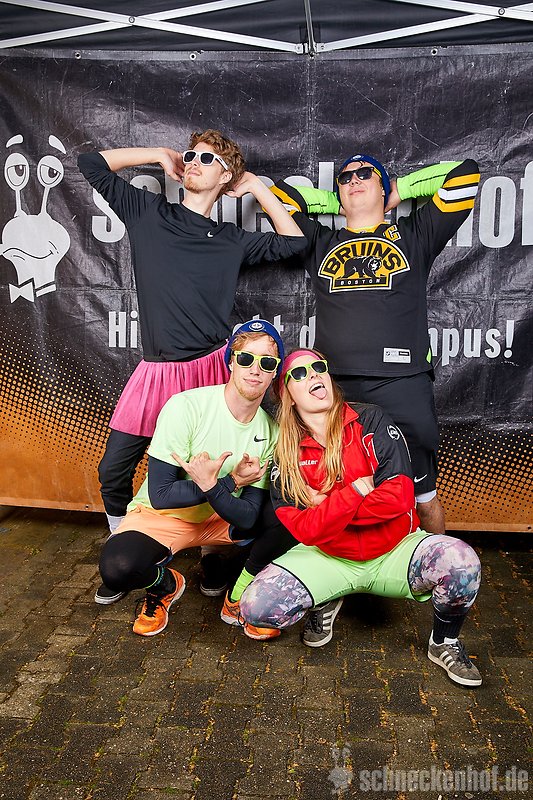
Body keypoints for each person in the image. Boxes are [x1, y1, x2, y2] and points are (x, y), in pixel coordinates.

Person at [78, 130, 306, 603]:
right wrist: (157, 154)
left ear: (225, 176)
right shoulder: (148, 212)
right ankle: (125, 544)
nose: (195, 162)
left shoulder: (230, 240)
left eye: (208, 158)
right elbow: (90, 163)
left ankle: (213, 557)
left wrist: (256, 186)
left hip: (208, 372)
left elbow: (295, 243)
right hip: (156, 372)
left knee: (215, 471)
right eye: (191, 155)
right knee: (113, 471)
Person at [240, 349, 483, 688]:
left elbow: (398, 498)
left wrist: (326, 505)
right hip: (328, 556)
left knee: (462, 562)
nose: (313, 374)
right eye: (299, 373)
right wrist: (356, 491)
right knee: (256, 608)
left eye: (318, 367)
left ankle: (443, 642)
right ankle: (326, 597)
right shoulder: (285, 452)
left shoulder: (372, 420)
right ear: (287, 395)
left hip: (395, 550)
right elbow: (305, 530)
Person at [270, 155, 480, 535]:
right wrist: (339, 201)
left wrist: (400, 190)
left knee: (423, 495)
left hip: (403, 383)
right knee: (339, 492)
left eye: (365, 174)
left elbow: (465, 175)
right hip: (334, 388)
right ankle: (351, 564)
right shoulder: (321, 241)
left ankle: (438, 562)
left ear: (384, 187)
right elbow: (280, 196)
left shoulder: (415, 234)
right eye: (345, 178)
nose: (354, 180)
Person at [99, 319, 293, 638]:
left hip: (220, 520)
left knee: (288, 512)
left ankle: (239, 593)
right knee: (117, 567)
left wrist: (215, 487)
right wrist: (228, 483)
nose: (255, 369)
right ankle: (164, 585)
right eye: (246, 358)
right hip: (164, 517)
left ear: (274, 373)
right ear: (231, 361)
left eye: (267, 363)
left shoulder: (270, 431)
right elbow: (161, 494)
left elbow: (248, 515)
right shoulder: (186, 407)